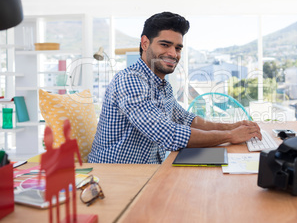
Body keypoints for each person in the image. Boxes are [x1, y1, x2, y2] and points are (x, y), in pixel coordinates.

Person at [88, 11, 261, 164]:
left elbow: (186, 120)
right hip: (114, 175)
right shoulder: (130, 80)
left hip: (145, 172)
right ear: (145, 43)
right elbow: (169, 134)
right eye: (165, 45)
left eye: (178, 48)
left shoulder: (163, 85)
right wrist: (230, 136)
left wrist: (232, 127)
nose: (173, 53)